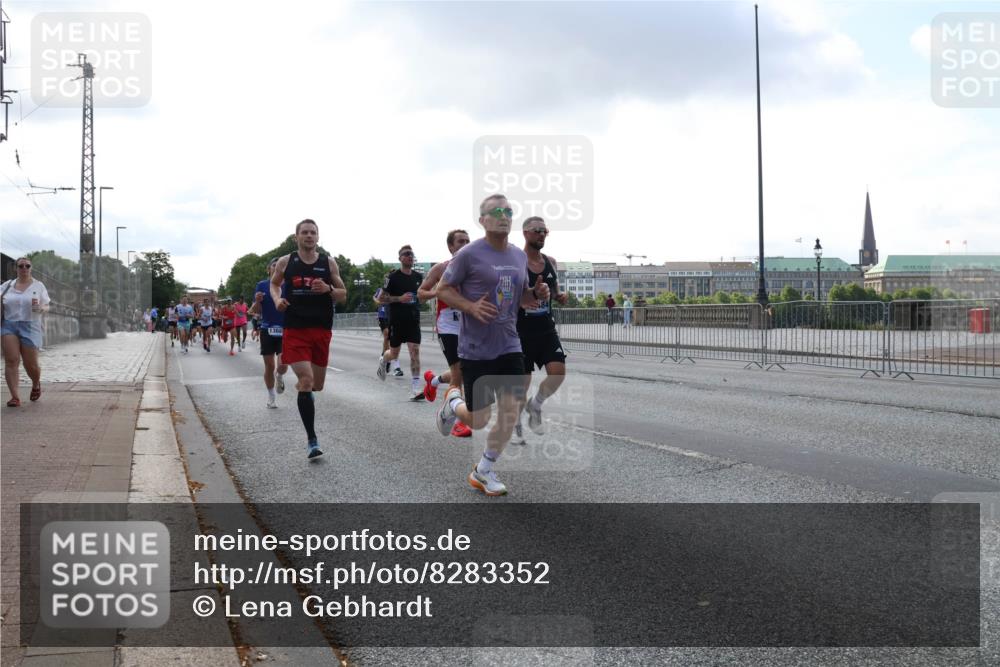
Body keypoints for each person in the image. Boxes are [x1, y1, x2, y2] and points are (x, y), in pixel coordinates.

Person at [435, 194, 550, 496]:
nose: (504, 216)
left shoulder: (518, 256)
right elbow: (442, 289)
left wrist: (536, 294)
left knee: (511, 411)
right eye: (496, 211)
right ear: (483, 220)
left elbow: (520, 298)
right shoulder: (469, 255)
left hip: (510, 344)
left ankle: (484, 469)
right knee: (478, 419)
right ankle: (453, 403)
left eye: (508, 211)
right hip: (475, 349)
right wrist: (470, 307)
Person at [270, 219, 347, 459]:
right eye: (305, 232)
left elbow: (343, 294)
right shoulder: (286, 261)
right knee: (306, 380)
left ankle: (304, 390)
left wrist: (329, 290)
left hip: (321, 329)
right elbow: (274, 285)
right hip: (295, 329)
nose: (309, 236)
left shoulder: (328, 262)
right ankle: (312, 440)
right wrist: (276, 300)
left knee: (317, 385)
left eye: (313, 232)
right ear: (297, 237)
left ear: (318, 237)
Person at [515, 216, 569, 444]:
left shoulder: (550, 261)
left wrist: (559, 296)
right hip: (521, 330)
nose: (541, 234)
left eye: (544, 231)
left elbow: (554, 291)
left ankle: (535, 406)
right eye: (537, 230)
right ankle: (515, 426)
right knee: (522, 383)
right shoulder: (515, 261)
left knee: (558, 372)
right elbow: (505, 294)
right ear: (525, 233)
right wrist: (524, 298)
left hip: (546, 327)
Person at [417, 229, 473, 437]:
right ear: (451, 246)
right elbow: (421, 293)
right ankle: (459, 420)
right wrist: (439, 292)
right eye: (461, 241)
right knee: (459, 373)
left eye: (468, 240)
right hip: (448, 325)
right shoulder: (441, 268)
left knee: (468, 369)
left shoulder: (475, 268)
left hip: (469, 324)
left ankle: (433, 381)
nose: (465, 243)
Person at [376, 245, 425, 400]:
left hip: (413, 320)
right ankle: (384, 359)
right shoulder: (391, 277)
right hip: (397, 321)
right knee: (394, 353)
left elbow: (421, 296)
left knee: (414, 352)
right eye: (406, 254)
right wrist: (399, 298)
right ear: (400, 258)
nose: (409, 256)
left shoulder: (418, 277)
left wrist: (421, 299)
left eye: (411, 253)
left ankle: (416, 389)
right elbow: (380, 298)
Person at [1, 258, 51, 407]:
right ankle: (15, 397)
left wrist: (42, 309)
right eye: (21, 266)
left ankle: (36, 383)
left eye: (27, 266)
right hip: (9, 325)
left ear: (31, 268)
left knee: (31, 365)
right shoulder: (7, 286)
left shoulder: (38, 285)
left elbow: (47, 305)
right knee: (11, 360)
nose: (24, 268)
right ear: (15, 268)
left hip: (30, 325)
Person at [251, 259, 290, 409]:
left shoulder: (288, 285)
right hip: (267, 329)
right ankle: (271, 395)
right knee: (269, 365)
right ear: (269, 269)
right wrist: (258, 301)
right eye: (274, 265)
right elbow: (255, 310)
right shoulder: (262, 285)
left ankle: (279, 376)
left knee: (283, 364)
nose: (278, 267)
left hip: (285, 329)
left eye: (281, 265)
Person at [373, 288, 391, 362]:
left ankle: (386, 352)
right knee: (386, 335)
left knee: (388, 337)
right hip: (382, 316)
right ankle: (384, 354)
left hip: (391, 315)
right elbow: (374, 297)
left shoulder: (394, 289)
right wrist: (378, 301)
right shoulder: (380, 290)